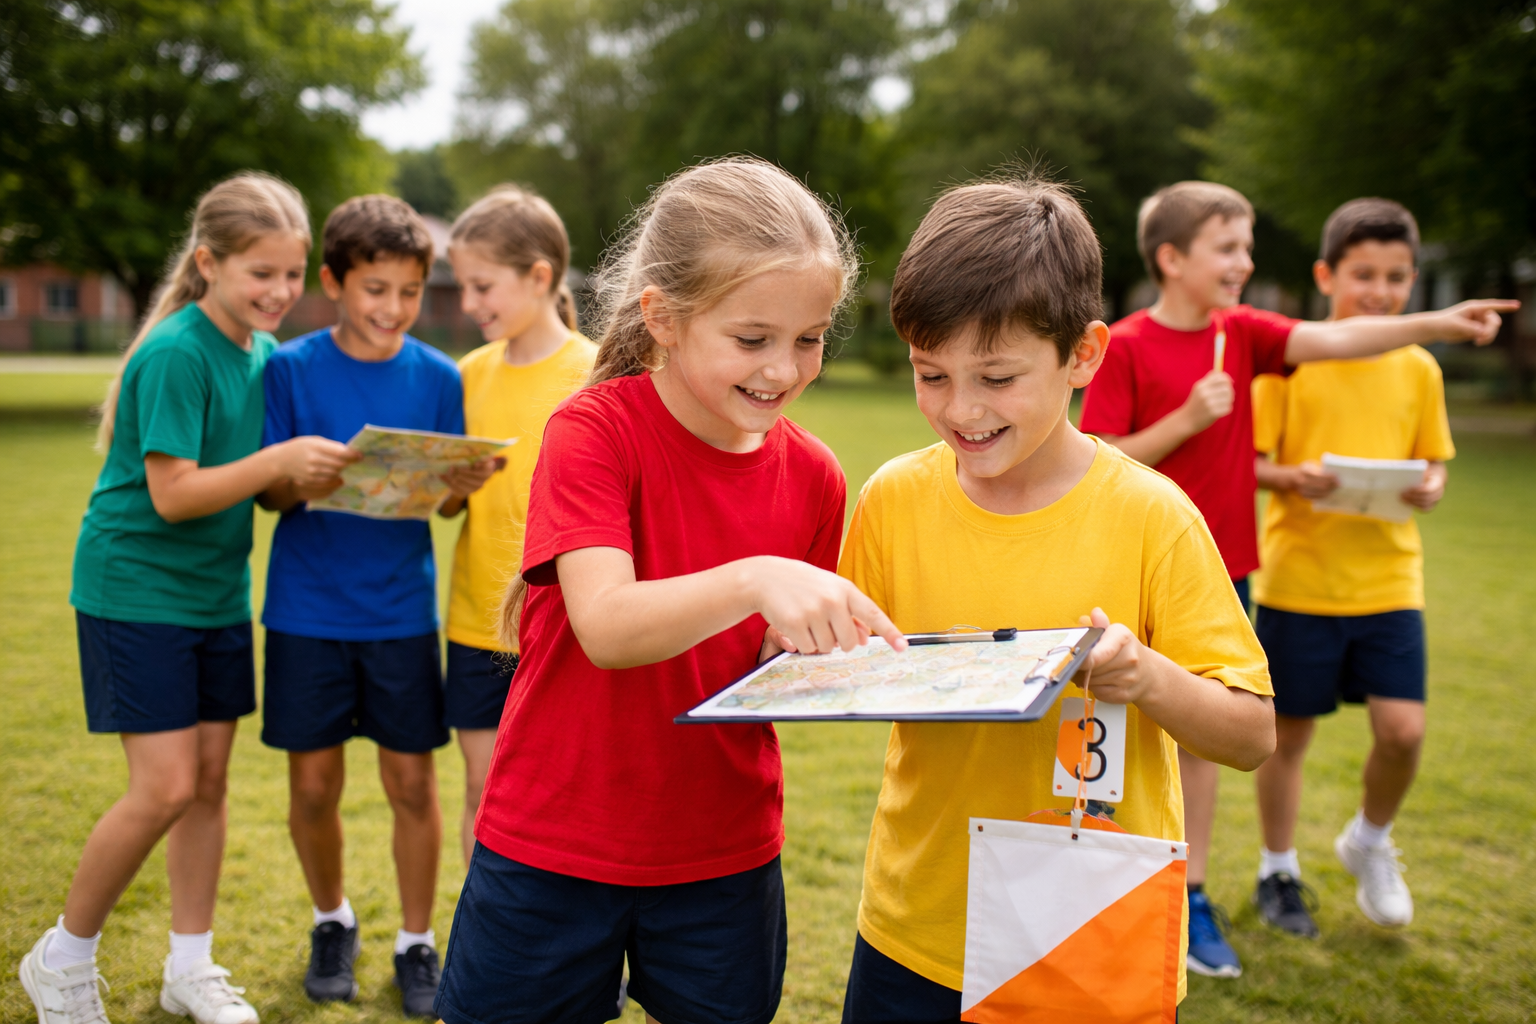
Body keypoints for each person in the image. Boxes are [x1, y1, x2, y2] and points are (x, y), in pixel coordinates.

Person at [433, 157, 904, 1024]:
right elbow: (607, 626)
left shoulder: (816, 478)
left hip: (722, 856)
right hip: (553, 841)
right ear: (663, 319)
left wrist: (842, 655)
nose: (786, 369)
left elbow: (768, 664)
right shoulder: (592, 433)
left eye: (810, 338)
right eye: (752, 338)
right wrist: (758, 577)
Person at [835, 177, 1276, 1024]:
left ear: (1083, 355)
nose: (961, 410)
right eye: (932, 375)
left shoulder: (1154, 516)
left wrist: (1145, 675)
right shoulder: (892, 498)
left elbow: (1252, 732)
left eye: (997, 377)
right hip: (915, 925)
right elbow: (845, 666)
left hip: (1089, 932)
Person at [1078, 180, 1515, 979]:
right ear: (1172, 259)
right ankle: (1101, 896)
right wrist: (1186, 421)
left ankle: (1191, 897)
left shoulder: (1242, 335)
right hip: (1131, 565)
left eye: (1247, 247)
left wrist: (1442, 324)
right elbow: (1096, 458)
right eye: (1229, 248)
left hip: (1223, 577)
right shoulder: (1131, 345)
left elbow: (1343, 341)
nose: (1245, 262)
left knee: (1201, 743)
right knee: (1109, 742)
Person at [20, 173, 354, 1024]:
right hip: (135, 591)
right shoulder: (175, 351)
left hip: (213, 598)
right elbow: (174, 493)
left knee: (207, 786)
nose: (281, 292)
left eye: (291, 273)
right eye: (261, 273)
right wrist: (279, 465)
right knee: (164, 787)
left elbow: (265, 491)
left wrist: (328, 474)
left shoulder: (263, 355)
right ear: (208, 264)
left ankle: (189, 968)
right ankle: (62, 957)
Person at [256, 195, 499, 1016]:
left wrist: (460, 489)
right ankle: (333, 921)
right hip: (305, 613)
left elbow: (446, 508)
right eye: (374, 291)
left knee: (411, 785)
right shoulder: (288, 369)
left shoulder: (437, 376)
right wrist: (301, 475)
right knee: (315, 787)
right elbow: (269, 496)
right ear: (333, 283)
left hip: (401, 616)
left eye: (407, 292)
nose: (392, 310)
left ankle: (416, 941)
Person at [1250, 199, 1453, 937]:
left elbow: (1432, 459)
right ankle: (1278, 869)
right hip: (1299, 579)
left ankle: (1368, 842)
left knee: (1403, 732)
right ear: (1326, 274)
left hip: (1390, 579)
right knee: (1289, 736)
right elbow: (1253, 463)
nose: (1380, 290)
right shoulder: (1289, 365)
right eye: (1363, 274)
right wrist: (1293, 477)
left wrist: (1432, 482)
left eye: (1396, 277)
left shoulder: (1421, 369)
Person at [442, 185, 598, 868]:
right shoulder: (468, 374)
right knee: (484, 789)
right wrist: (448, 489)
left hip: (569, 628)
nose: (469, 303)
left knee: (570, 795)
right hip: (477, 624)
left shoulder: (597, 373)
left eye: (482, 286)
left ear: (539, 277)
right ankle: (488, 957)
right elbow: (449, 506)